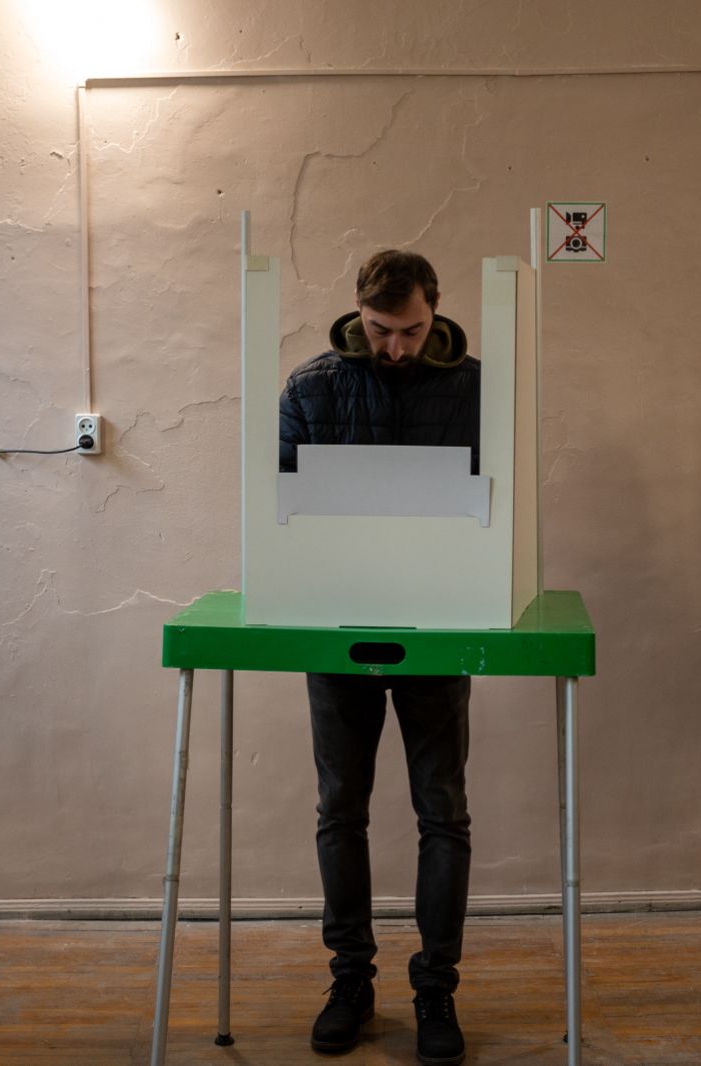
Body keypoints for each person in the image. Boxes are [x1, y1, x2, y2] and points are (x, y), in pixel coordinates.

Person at [279, 249, 479, 1066]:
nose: (395, 347)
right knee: (341, 809)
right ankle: (350, 984)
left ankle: (435, 990)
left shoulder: (475, 387)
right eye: (379, 329)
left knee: (442, 812)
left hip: (438, 625)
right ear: (356, 312)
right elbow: (282, 509)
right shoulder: (310, 387)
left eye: (411, 331)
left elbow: (495, 503)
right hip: (337, 625)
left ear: (437, 313)